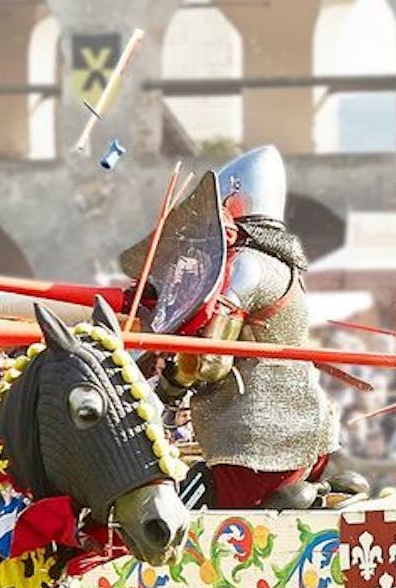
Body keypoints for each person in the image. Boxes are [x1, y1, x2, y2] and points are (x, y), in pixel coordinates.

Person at [147, 146, 362, 508]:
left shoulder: (248, 266)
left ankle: (309, 500)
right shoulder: (284, 267)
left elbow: (212, 361)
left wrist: (167, 385)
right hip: (306, 440)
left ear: (234, 198)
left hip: (255, 446)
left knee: (178, 508)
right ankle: (317, 498)